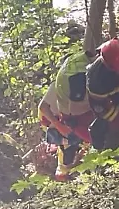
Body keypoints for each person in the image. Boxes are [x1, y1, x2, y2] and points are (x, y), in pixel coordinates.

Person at [39, 50, 94, 181]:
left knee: (86, 145)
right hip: (64, 127)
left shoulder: (86, 79)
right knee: (67, 157)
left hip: (79, 121)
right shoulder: (58, 85)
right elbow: (42, 107)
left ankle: (87, 174)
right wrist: (58, 126)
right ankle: (64, 178)